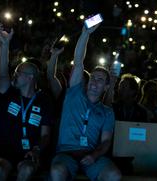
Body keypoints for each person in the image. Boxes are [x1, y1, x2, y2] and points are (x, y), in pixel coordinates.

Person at [50, 24, 122, 181]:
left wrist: (94, 155)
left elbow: (106, 141)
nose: (94, 81)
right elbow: (78, 62)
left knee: (114, 175)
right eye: (92, 77)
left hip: (90, 156)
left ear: (106, 87)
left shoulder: (106, 111)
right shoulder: (75, 93)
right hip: (66, 153)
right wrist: (85, 34)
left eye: (100, 79)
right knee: (57, 171)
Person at [0, 24, 54, 181]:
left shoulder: (44, 100)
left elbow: (46, 134)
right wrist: (5, 45)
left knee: (26, 169)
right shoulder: (10, 92)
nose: (15, 75)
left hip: (28, 153)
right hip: (5, 151)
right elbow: (3, 72)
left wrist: (37, 150)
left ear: (30, 77)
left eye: (18, 73)